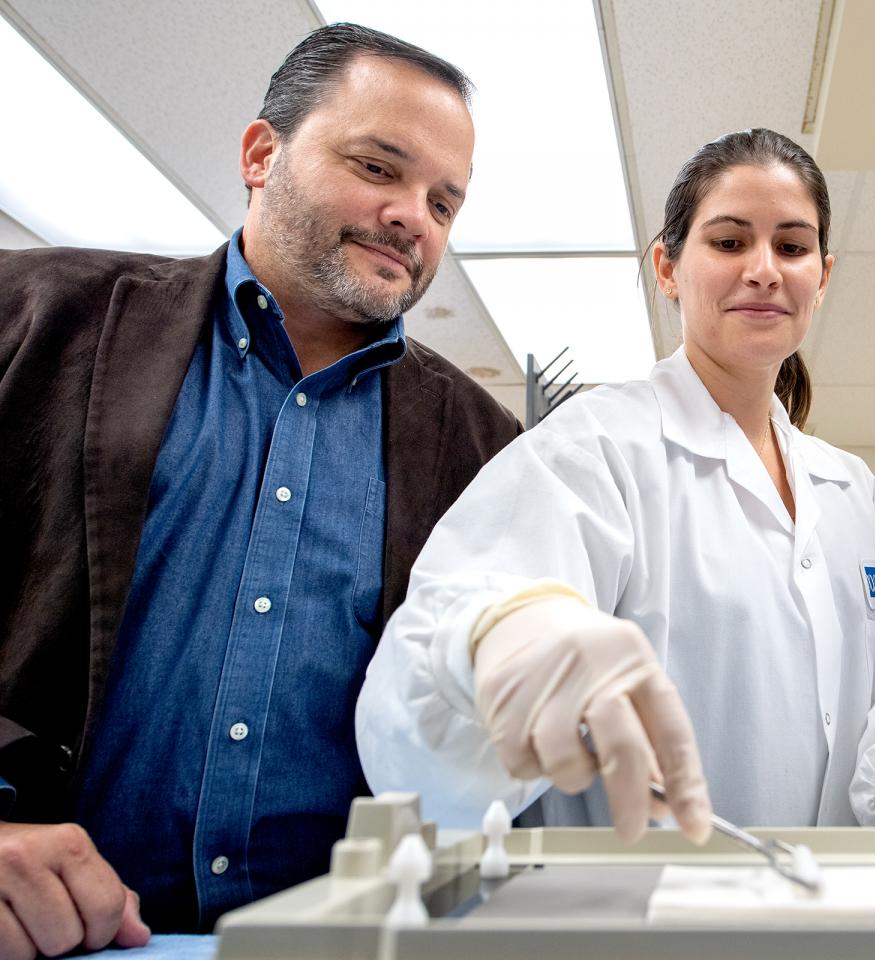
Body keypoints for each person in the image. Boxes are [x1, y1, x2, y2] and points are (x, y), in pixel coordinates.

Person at [0, 22, 522, 949]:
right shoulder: (37, 319)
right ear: (259, 153)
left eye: (445, 203)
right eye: (377, 168)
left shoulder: (482, 447)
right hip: (54, 935)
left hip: (344, 938)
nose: (413, 216)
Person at [356, 128, 875, 842]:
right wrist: (493, 642)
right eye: (728, 242)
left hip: (830, 909)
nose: (764, 270)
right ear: (666, 266)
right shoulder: (591, 450)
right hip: (635, 915)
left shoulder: (848, 489)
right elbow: (428, 675)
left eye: (791, 246)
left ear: (824, 274)